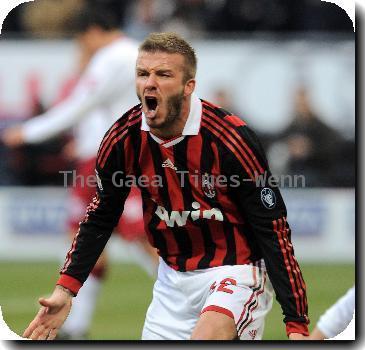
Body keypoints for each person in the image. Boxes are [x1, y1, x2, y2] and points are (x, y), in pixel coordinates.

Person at [22, 32, 309, 341]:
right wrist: (66, 289)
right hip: (172, 283)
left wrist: (296, 324)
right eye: (143, 74)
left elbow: (272, 226)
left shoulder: (231, 138)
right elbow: (100, 217)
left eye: (163, 74)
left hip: (234, 272)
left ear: (189, 87)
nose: (150, 83)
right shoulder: (122, 138)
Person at [2, 5, 158, 340]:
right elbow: (106, 110)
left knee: (144, 239)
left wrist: (27, 132)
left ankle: (192, 300)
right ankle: (75, 327)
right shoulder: (128, 57)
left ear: (91, 32)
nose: (79, 48)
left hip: (124, 163)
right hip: (100, 159)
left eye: (79, 40)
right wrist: (86, 142)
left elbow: (80, 104)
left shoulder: (116, 56)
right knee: (82, 237)